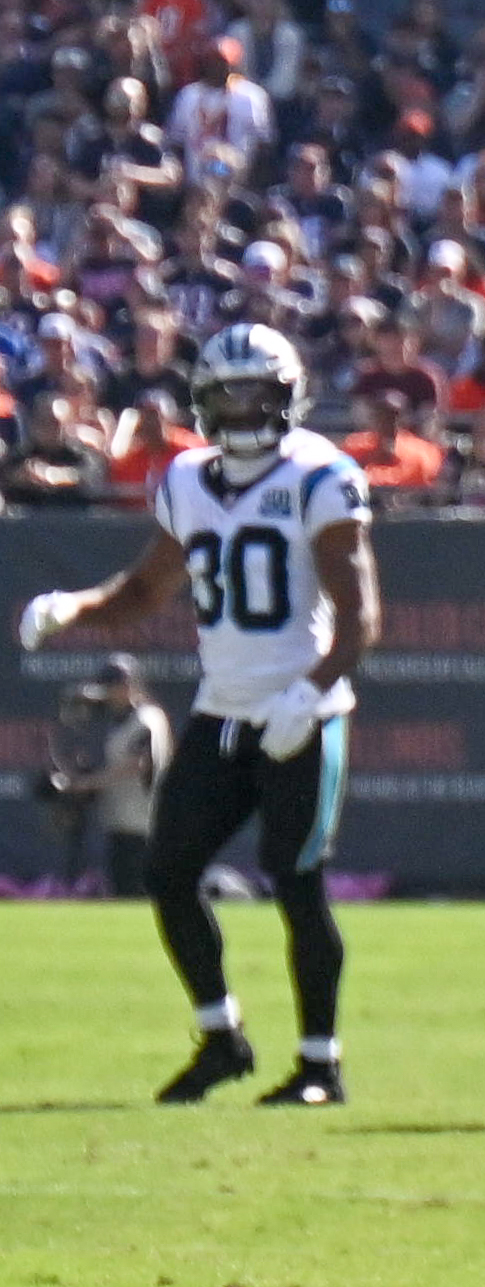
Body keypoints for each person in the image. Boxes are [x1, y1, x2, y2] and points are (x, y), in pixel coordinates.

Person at [17, 324, 380, 1106]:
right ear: (204, 404)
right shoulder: (185, 478)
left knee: (297, 880)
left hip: (300, 710)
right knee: (168, 869)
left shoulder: (321, 475)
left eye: (259, 394)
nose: (244, 410)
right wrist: (74, 608)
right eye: (229, 395)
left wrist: (310, 693)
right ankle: (222, 1038)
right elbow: (147, 592)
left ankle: (321, 1064)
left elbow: (361, 619)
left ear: (289, 398)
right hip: (224, 712)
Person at [61, 656, 175, 897]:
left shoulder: (147, 718)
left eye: (110, 688)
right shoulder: (116, 721)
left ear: (127, 686)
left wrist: (90, 783)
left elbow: (140, 763)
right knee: (123, 895)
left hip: (143, 827)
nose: (106, 695)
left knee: (136, 899)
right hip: (122, 825)